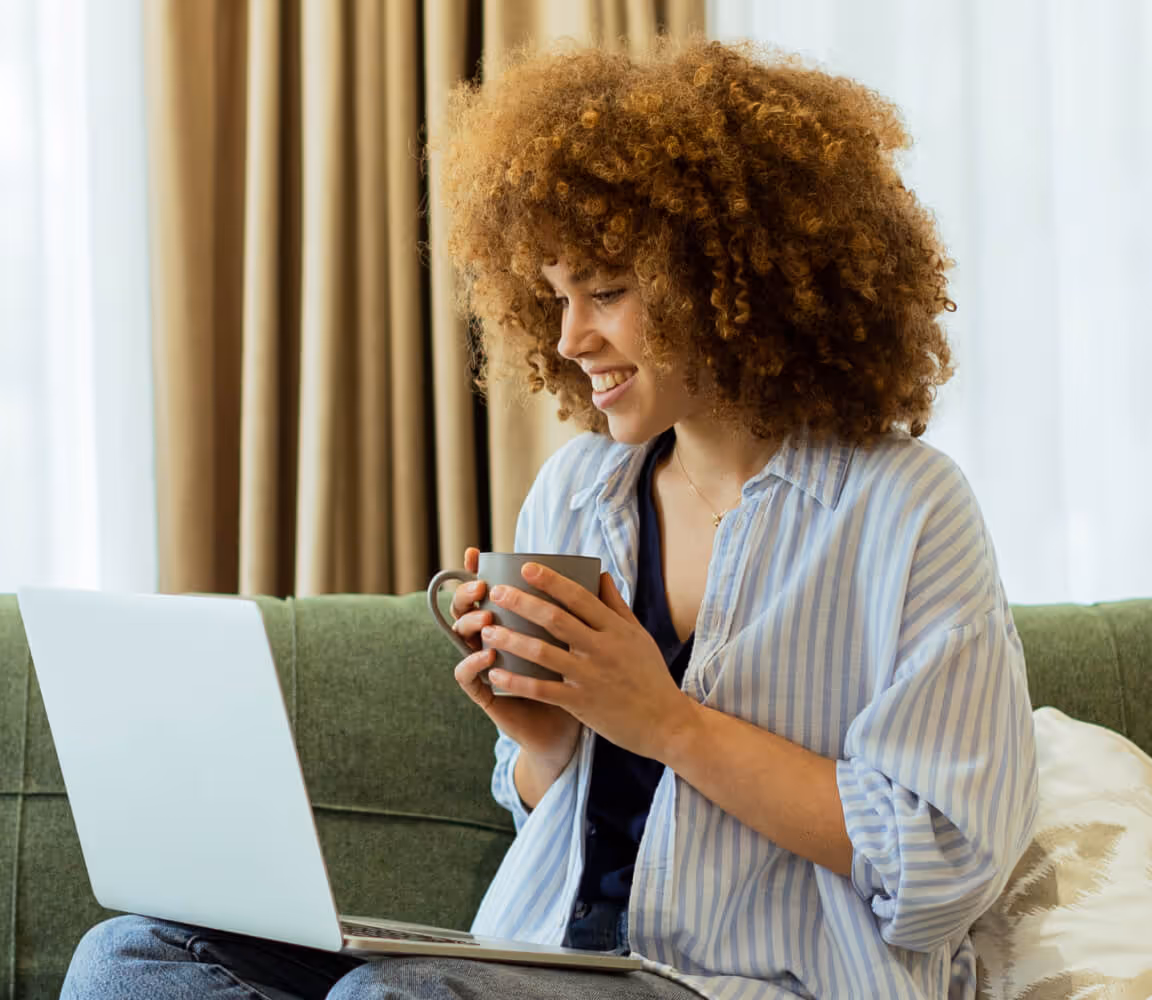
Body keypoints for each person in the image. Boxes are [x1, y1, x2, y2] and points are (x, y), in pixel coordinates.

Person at [60, 34, 1037, 1000]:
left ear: (735, 281)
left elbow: (946, 861)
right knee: (134, 955)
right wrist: (545, 745)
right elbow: (544, 804)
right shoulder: (581, 486)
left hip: (747, 981)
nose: (571, 338)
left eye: (606, 291)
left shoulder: (908, 510)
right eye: (558, 295)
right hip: (540, 959)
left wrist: (669, 723)